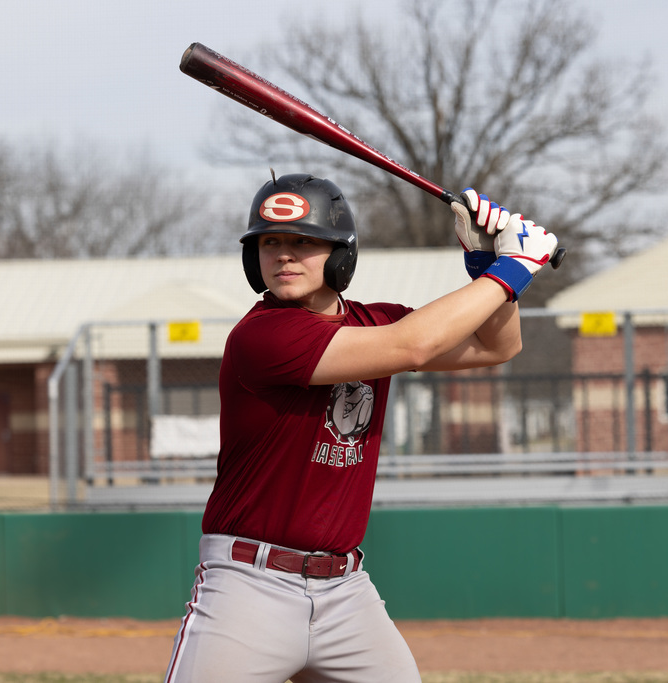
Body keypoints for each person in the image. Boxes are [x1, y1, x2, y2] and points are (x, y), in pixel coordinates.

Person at [164, 172, 558, 682]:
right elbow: (410, 346)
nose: (284, 255)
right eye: (270, 242)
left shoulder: (376, 322)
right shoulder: (262, 336)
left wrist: (486, 264)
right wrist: (515, 268)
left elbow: (497, 347)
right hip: (249, 587)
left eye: (304, 241)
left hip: (345, 591)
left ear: (340, 253)